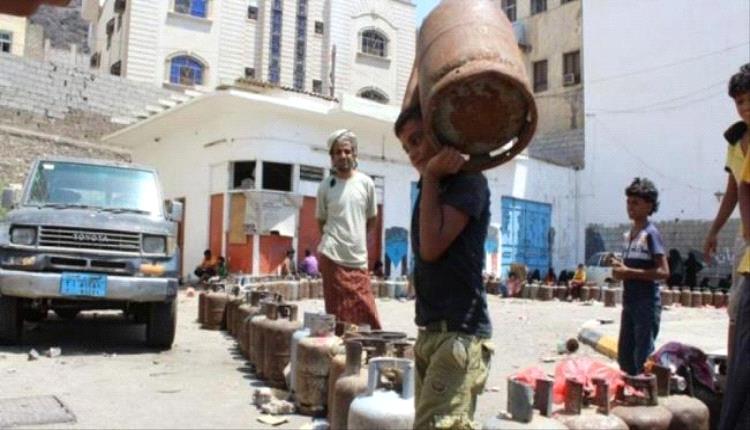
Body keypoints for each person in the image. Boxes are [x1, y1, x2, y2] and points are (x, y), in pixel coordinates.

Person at [395, 105, 493, 429]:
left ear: (441, 132)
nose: (412, 153)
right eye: (406, 147)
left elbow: (431, 247)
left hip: (458, 333)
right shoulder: (432, 186)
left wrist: (432, 175)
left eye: (417, 140)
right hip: (431, 331)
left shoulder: (469, 181)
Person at [316, 129, 382, 329]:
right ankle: (343, 347)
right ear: (332, 157)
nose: (343, 155)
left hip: (358, 258)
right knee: (338, 315)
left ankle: (367, 344)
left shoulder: (366, 183)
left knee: (367, 311)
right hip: (333, 256)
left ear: (354, 154)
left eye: (347, 151)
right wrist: (336, 240)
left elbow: (372, 219)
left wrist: (355, 238)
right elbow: (321, 222)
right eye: (337, 152)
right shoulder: (325, 186)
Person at [610, 178, 669, 376]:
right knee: (625, 356)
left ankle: (645, 393)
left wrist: (628, 272)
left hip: (646, 303)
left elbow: (664, 272)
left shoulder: (650, 234)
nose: (630, 207)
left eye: (635, 202)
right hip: (629, 302)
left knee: (643, 359)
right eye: (628, 202)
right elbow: (627, 268)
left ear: (649, 205)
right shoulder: (628, 235)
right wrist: (618, 271)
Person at [720, 63, 750, 430]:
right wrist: (716, 229)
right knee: (738, 311)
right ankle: (734, 379)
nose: (744, 108)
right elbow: (738, 189)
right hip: (747, 241)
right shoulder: (736, 142)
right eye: (739, 102)